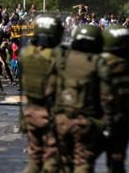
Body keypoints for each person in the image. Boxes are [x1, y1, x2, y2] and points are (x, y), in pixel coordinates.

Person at [46, 25, 106, 173]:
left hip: (60, 120)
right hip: (84, 122)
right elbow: (107, 98)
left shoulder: (63, 59)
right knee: (82, 163)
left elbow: (49, 90)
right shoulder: (98, 63)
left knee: (62, 162)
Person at [20, 14, 64, 173]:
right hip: (50, 113)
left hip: (31, 111)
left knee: (35, 157)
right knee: (51, 160)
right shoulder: (58, 56)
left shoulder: (26, 54)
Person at [100, 25, 129, 173]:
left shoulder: (99, 62)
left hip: (99, 119)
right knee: (117, 161)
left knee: (82, 161)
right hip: (123, 120)